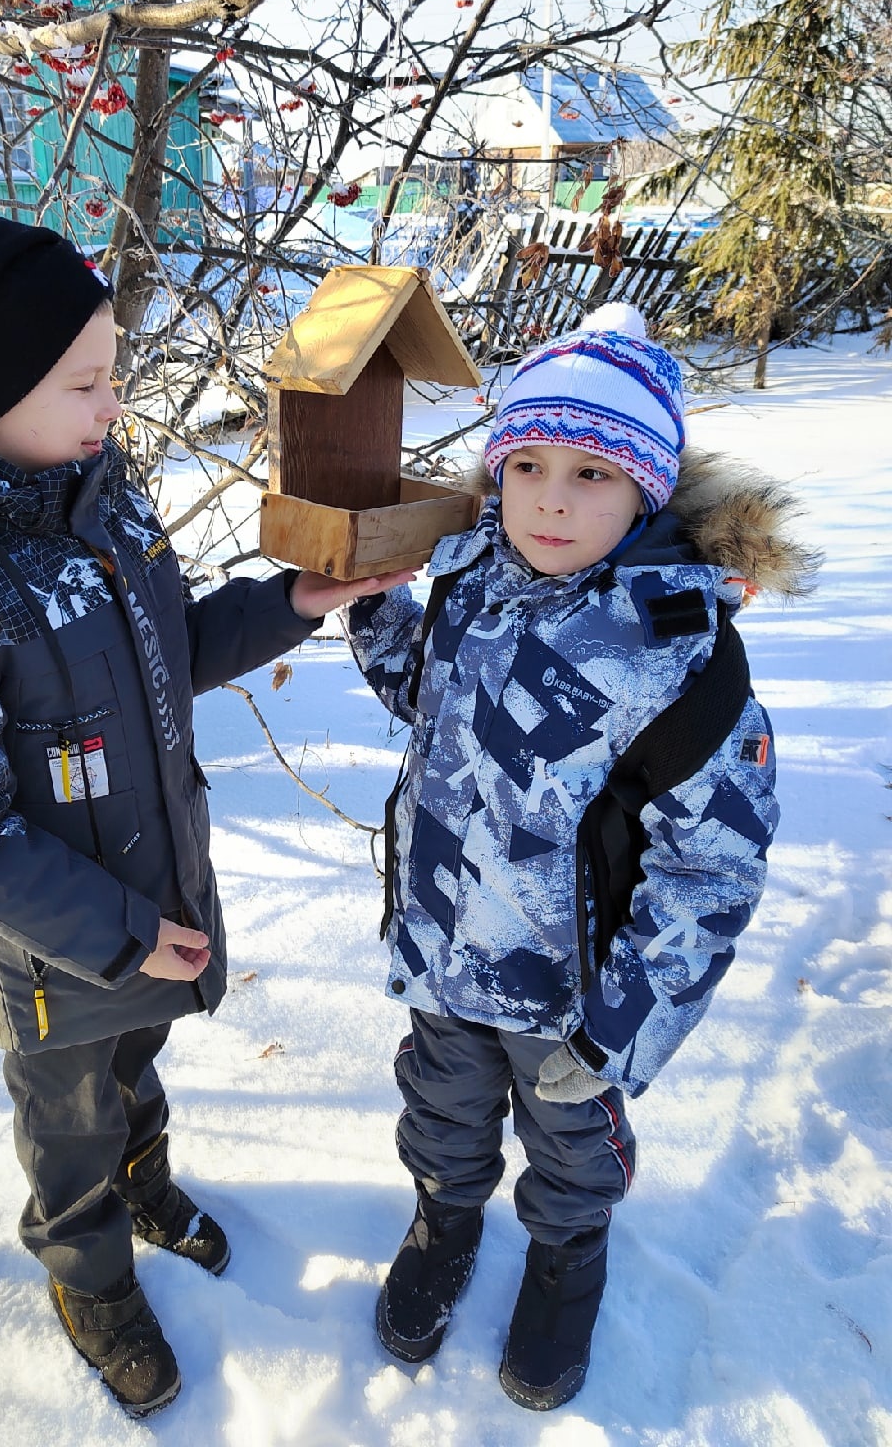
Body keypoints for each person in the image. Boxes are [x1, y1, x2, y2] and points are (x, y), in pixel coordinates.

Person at [0, 192, 411, 1420]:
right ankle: (86, 1267)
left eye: (112, 377)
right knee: (68, 1112)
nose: (113, 406)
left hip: (159, 878)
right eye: (85, 384)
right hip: (56, 945)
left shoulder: (104, 499)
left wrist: (290, 604)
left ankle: (148, 1177)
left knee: (139, 1059)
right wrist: (122, 933)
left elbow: (164, 651)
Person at [341, 303, 815, 1410]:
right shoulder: (469, 578)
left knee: (570, 1145)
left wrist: (621, 1028)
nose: (552, 496)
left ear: (648, 490)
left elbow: (713, 868)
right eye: (531, 463)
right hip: (443, 948)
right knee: (442, 1108)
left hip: (576, 999)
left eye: (595, 473)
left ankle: (566, 1256)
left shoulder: (680, 655)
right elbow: (428, 701)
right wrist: (375, 616)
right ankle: (444, 1218)